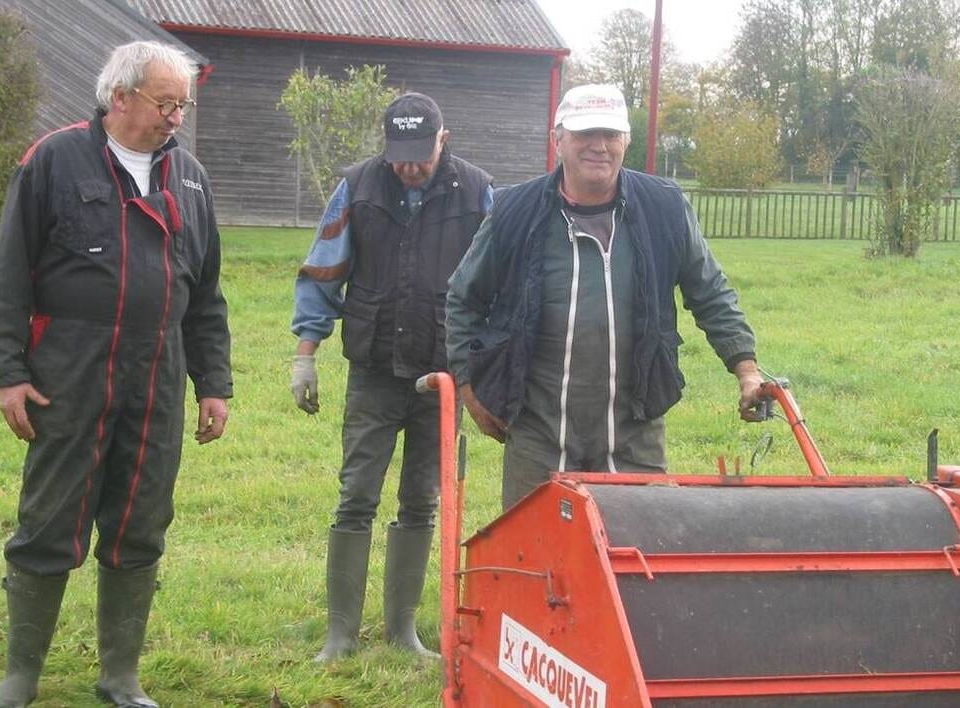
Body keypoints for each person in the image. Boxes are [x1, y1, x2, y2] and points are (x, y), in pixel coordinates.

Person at [0, 41, 231, 708]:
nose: (176, 117)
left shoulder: (191, 179)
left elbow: (206, 295)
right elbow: (8, 278)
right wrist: (7, 373)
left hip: (157, 379)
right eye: (165, 103)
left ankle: (120, 677)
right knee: (48, 524)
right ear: (119, 97)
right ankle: (20, 677)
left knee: (139, 525)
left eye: (183, 104)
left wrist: (212, 383)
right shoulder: (53, 161)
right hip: (68, 374)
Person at [445, 84, 764, 510]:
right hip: (539, 430)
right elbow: (463, 299)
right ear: (558, 139)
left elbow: (710, 292)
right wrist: (469, 388)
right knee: (537, 545)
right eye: (585, 133)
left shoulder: (664, 207)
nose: (599, 145)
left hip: (635, 428)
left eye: (611, 134)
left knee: (636, 542)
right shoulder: (513, 211)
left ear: (626, 141)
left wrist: (746, 370)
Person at [290, 92, 493, 661]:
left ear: (443, 139)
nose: (408, 167)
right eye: (399, 155)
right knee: (356, 495)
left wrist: (488, 365)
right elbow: (324, 269)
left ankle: (402, 631)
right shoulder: (357, 187)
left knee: (421, 499)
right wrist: (305, 355)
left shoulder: (479, 193)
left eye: (420, 155)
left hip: (443, 377)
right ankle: (340, 635)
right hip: (374, 371)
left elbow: (498, 282)